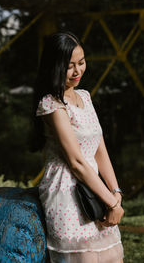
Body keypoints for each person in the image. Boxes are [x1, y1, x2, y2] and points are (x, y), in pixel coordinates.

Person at [33, 31, 124, 263]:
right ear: (54, 66)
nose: (77, 72)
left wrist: (116, 194)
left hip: (96, 191)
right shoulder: (51, 104)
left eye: (81, 63)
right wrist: (111, 202)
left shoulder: (85, 96)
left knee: (111, 257)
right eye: (69, 66)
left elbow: (99, 150)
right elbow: (76, 162)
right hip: (67, 194)